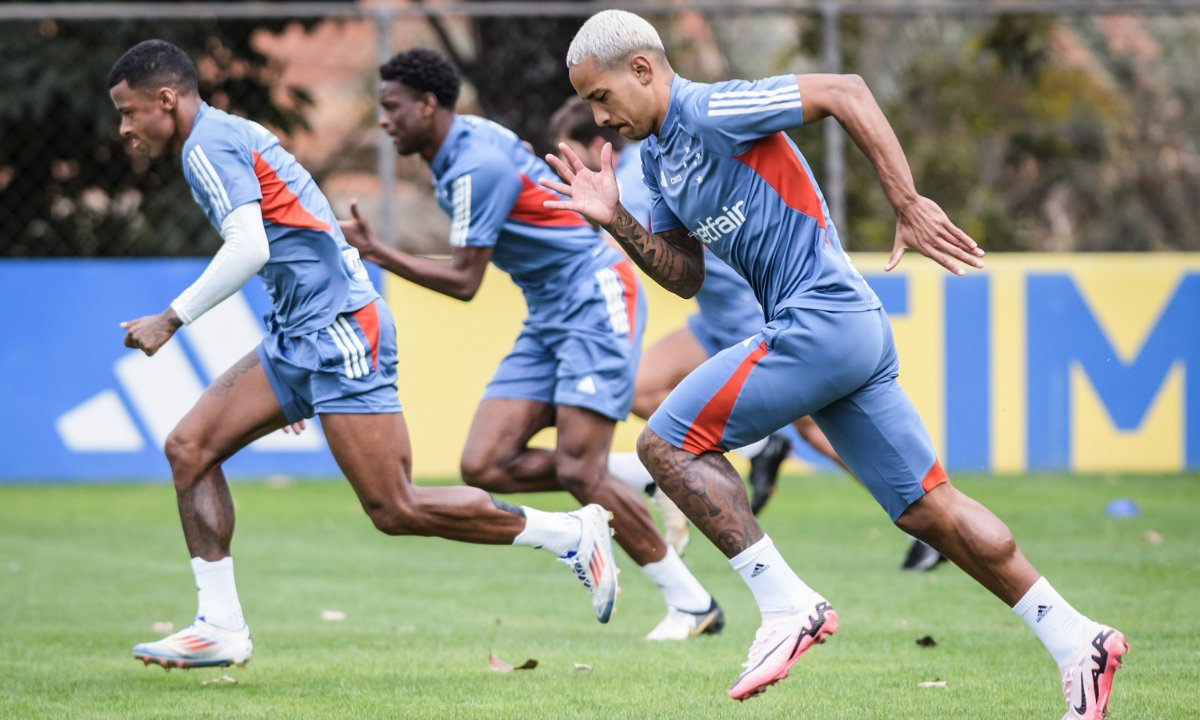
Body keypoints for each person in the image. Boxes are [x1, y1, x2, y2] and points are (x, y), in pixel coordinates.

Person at [543, 10, 1126, 716]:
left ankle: (787, 606)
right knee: (929, 511)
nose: (599, 118)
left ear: (642, 69)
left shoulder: (715, 107)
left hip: (820, 318)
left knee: (665, 442)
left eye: (601, 97)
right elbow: (686, 276)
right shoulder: (661, 165)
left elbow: (845, 90)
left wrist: (907, 203)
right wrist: (619, 223)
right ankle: (1078, 641)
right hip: (842, 331)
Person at [108, 39, 622, 671]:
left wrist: (170, 318)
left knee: (395, 507)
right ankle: (219, 625)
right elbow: (300, 237)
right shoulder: (221, 136)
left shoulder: (207, 145)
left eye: (130, 112)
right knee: (189, 449)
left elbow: (249, 248)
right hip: (303, 334)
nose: (125, 128)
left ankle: (571, 534)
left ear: (166, 100)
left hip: (340, 332)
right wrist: (289, 369)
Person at [339, 48, 722, 642]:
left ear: (428, 105)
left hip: (594, 296)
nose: (384, 120)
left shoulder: (473, 166)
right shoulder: (462, 144)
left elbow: (465, 282)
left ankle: (692, 604)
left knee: (578, 470)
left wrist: (377, 252)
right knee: (485, 463)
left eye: (391, 108)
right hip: (550, 312)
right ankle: (644, 475)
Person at [548, 96, 945, 571]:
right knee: (639, 386)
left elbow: (616, 249)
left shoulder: (632, 176)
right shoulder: (649, 165)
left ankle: (921, 517)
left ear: (597, 147)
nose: (571, 174)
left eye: (573, 156)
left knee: (819, 430)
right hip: (713, 319)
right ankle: (755, 447)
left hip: (748, 312)